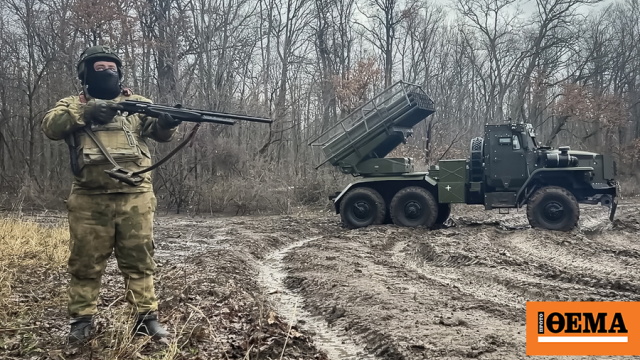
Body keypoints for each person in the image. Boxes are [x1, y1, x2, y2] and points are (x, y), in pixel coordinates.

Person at [42, 45, 181, 343]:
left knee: (140, 260)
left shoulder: (137, 103)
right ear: (85, 75)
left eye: (112, 69)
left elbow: (159, 131)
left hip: (136, 197)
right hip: (89, 199)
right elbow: (51, 126)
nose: (107, 73)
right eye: (99, 69)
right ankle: (81, 322)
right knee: (85, 263)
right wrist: (86, 111)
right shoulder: (71, 104)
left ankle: (146, 320)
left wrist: (169, 123)